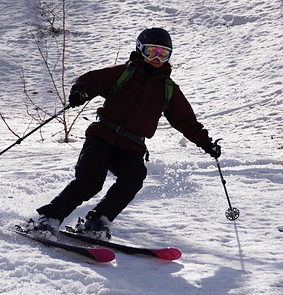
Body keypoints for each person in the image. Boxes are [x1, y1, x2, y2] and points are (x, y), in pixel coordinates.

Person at [22, 27, 221, 240]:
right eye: (151, 51)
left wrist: (206, 143)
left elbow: (186, 121)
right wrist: (80, 92)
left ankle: (98, 219)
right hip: (102, 136)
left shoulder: (168, 88)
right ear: (140, 50)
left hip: (132, 146)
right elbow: (91, 80)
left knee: (134, 177)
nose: (156, 58)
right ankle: (49, 218)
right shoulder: (124, 73)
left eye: (163, 54)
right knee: (90, 181)